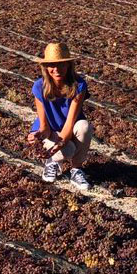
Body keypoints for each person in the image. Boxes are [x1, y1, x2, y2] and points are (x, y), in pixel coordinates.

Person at [26, 42, 93, 190]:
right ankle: (52, 162)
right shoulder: (39, 86)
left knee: (84, 127)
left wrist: (60, 143)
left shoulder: (79, 85)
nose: (56, 70)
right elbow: (44, 126)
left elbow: (71, 122)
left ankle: (76, 170)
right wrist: (37, 135)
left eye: (61, 65)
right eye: (51, 65)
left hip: (69, 127)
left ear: (69, 65)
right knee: (68, 150)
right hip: (51, 130)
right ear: (45, 67)